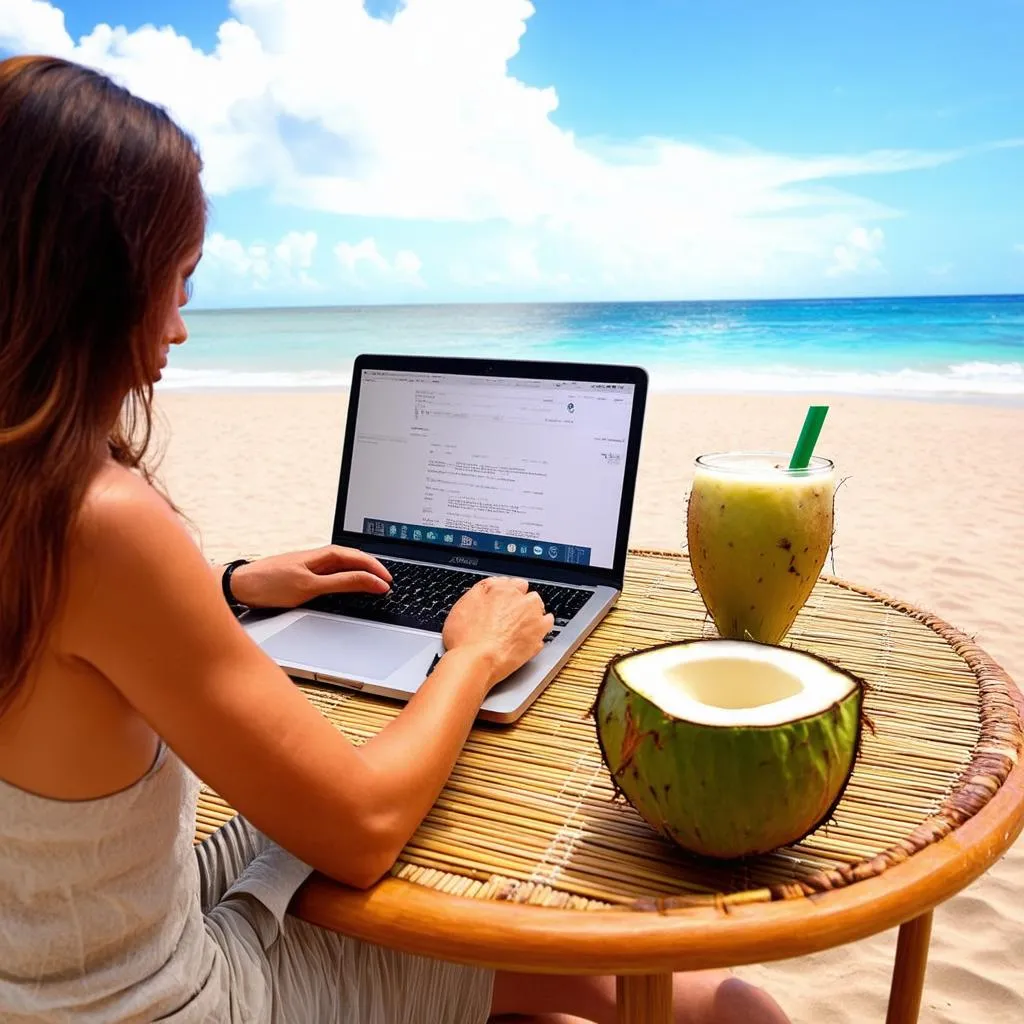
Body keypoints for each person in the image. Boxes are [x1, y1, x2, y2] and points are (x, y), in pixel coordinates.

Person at [0, 55, 790, 1024]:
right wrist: (470, 654)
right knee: (729, 1007)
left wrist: (234, 582)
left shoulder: (34, 504)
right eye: (179, 279)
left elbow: (50, 637)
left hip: (45, 951)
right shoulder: (101, 520)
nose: (180, 327)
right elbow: (364, 828)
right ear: (98, 283)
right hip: (149, 999)